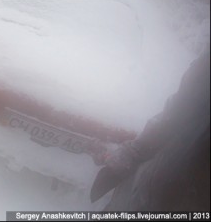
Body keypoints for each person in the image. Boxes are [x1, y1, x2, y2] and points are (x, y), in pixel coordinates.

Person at [90, 46, 210, 211]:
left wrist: (132, 154)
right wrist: (131, 154)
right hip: (159, 186)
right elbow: (179, 110)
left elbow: (178, 112)